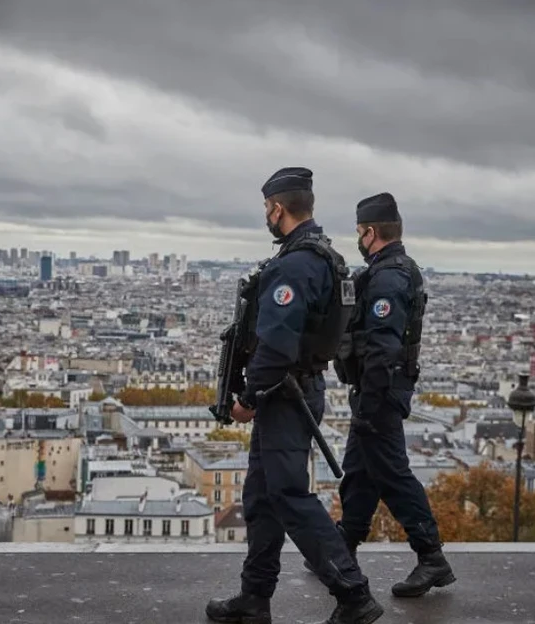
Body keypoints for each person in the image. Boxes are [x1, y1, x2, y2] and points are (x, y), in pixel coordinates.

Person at [206, 168, 384, 624]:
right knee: (262, 497)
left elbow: (277, 345)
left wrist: (248, 396)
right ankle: (254, 596)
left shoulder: (294, 265)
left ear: (278, 209)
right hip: (296, 389)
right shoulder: (324, 257)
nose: (267, 215)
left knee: (287, 494)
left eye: (268, 208)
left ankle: (353, 593)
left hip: (285, 394)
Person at [306, 191, 456, 598]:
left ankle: (431, 557)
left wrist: (370, 404)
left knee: (391, 474)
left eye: (359, 232)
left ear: (371, 232)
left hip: (381, 391)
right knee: (359, 473)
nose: (358, 239)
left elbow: (382, 347)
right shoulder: (390, 270)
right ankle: (343, 548)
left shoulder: (389, 276)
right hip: (377, 390)